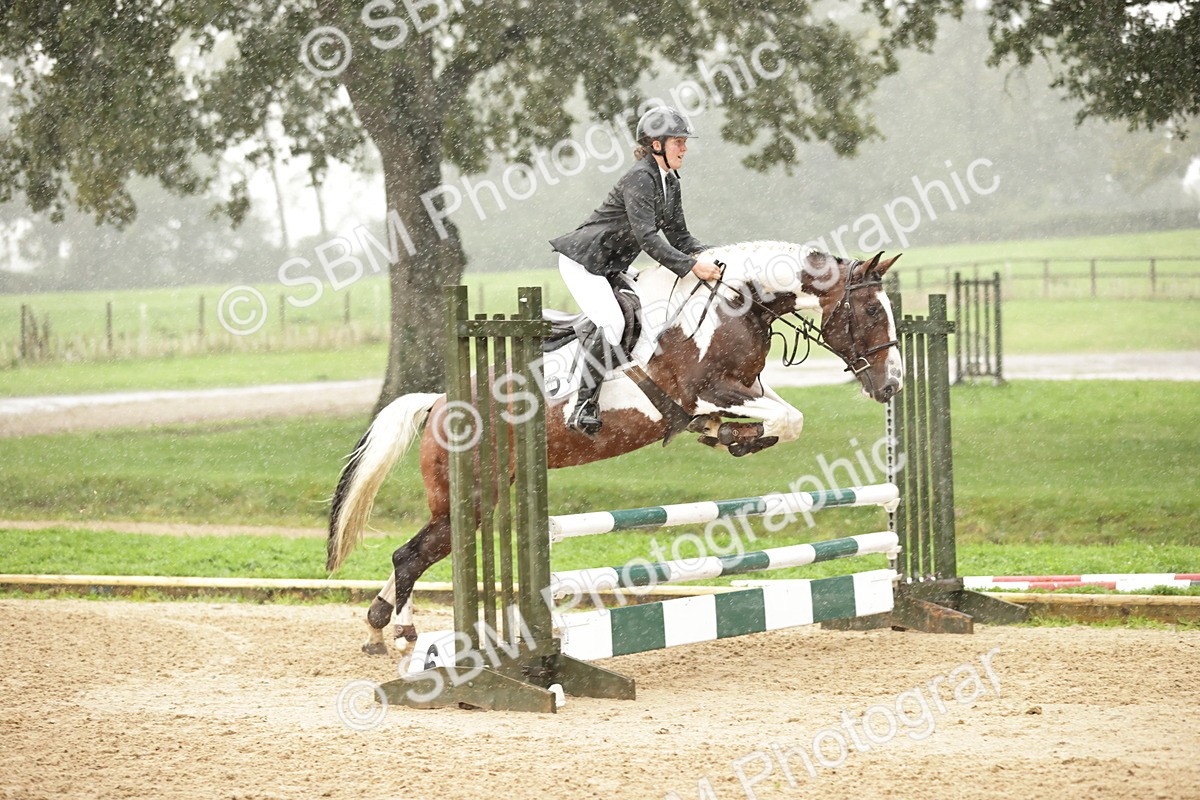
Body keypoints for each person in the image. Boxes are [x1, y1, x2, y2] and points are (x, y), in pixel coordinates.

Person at [549, 105, 723, 435]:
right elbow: (646, 237)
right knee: (613, 322)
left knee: (648, 314)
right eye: (678, 142)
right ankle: (583, 405)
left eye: (684, 142)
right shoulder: (640, 178)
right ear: (656, 144)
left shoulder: (669, 181)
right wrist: (690, 267)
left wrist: (713, 255)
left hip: (609, 266)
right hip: (584, 263)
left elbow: (679, 236)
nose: (684, 148)